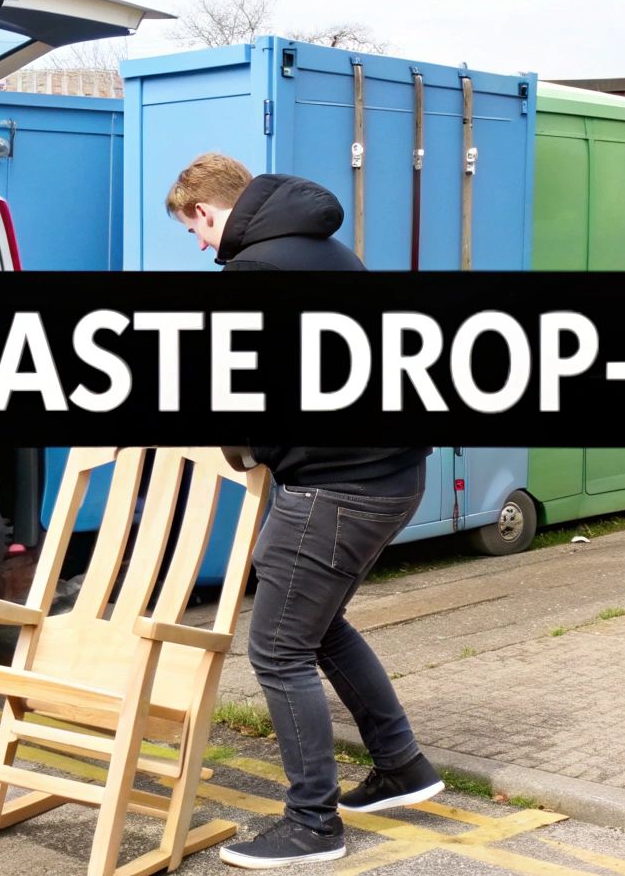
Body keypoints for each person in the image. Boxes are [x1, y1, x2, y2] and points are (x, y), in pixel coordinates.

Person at [165, 152, 441, 868]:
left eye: (194, 229)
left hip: (337, 485)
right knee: (315, 626)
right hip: (390, 473)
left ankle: (313, 825)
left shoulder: (253, 274)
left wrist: (243, 445)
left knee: (278, 648)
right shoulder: (326, 251)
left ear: (209, 211)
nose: (199, 246)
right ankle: (401, 766)